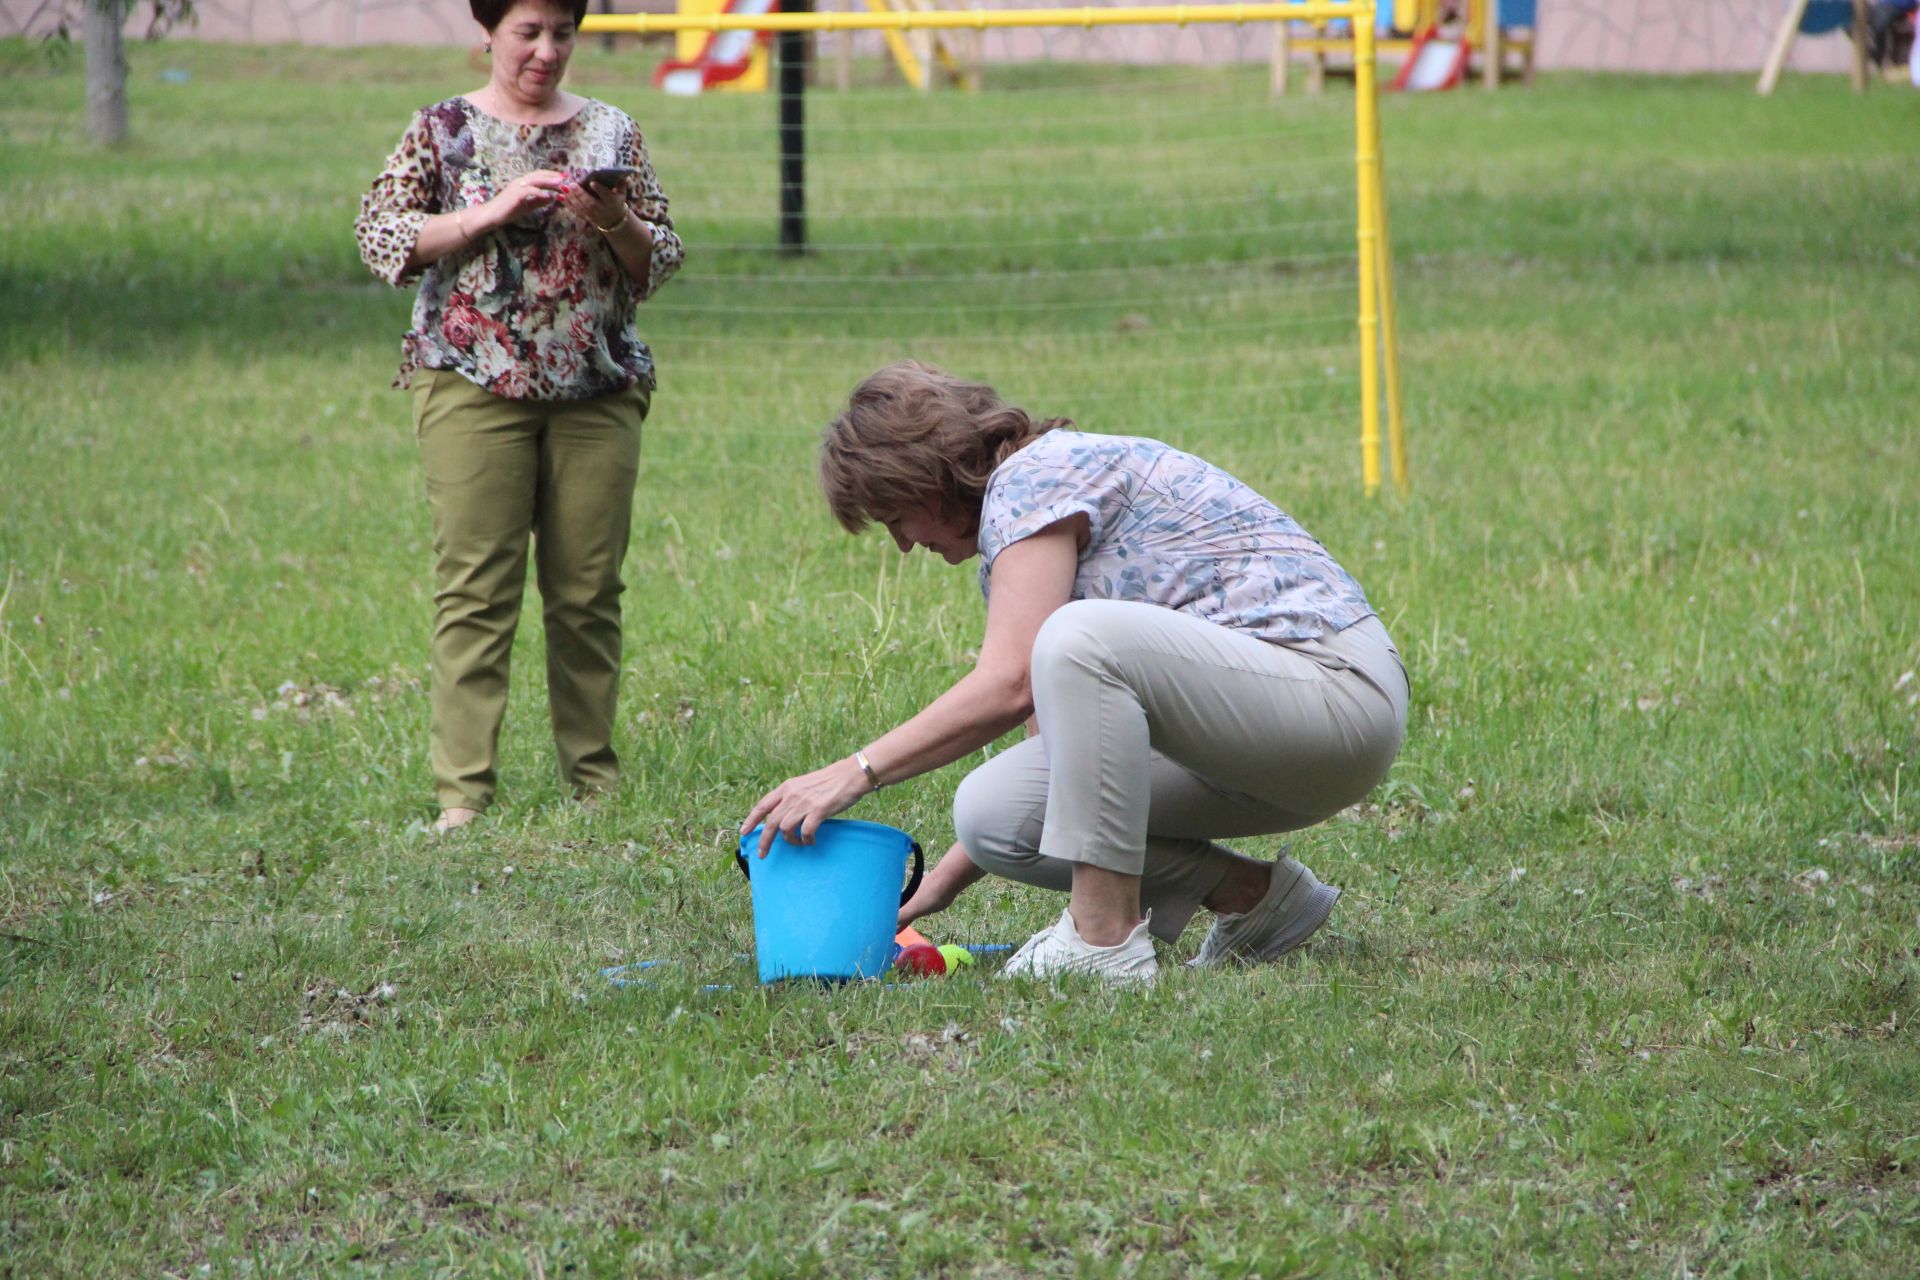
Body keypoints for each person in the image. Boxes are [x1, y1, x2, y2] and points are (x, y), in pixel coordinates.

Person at [742, 363, 1409, 984]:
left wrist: (852, 773)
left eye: (895, 517)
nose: (903, 544)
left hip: (1334, 695)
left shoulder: (1035, 478)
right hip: (1259, 737)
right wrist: (938, 885)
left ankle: (1103, 941)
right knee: (996, 813)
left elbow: (1010, 683)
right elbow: (1067, 764)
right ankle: (1257, 900)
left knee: (1073, 638)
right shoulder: (1024, 536)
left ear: (923, 478)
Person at [354, 0, 683, 832]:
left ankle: (594, 785)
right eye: (528, 33)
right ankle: (462, 796)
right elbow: (381, 237)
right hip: (470, 382)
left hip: (597, 388)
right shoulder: (443, 131)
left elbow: (661, 260)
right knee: (477, 589)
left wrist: (612, 216)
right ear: (491, 35)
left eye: (562, 33)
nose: (546, 51)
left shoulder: (612, 131)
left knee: (587, 592)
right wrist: (489, 212)